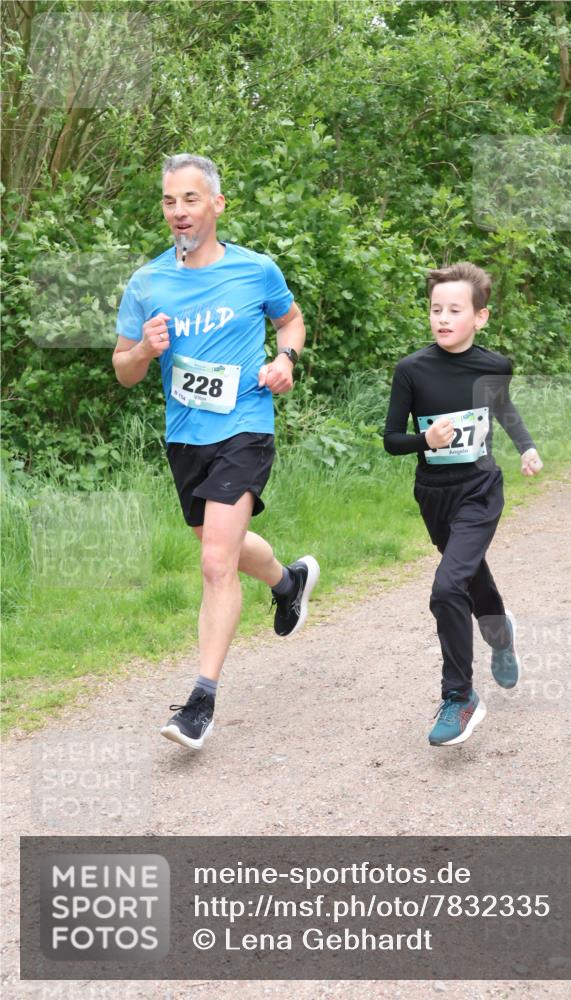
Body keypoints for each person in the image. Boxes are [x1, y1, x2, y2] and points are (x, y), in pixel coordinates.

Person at [112, 153, 319, 751]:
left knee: (214, 565)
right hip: (186, 435)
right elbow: (123, 371)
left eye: (191, 200)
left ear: (217, 204)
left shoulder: (256, 271)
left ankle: (200, 702)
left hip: (245, 425)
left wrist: (285, 360)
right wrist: (145, 352)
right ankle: (287, 582)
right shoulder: (148, 283)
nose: (179, 212)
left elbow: (292, 320)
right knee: (215, 547)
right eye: (170, 201)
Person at [384, 262, 543, 747]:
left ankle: (460, 696)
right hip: (434, 494)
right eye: (436, 310)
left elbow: (504, 409)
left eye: (455, 310)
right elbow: (391, 440)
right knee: (468, 575)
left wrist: (526, 447)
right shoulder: (412, 371)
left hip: (479, 488)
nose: (443, 318)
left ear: (481, 317)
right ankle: (500, 631)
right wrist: (424, 440)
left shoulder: (494, 366)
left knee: (446, 587)